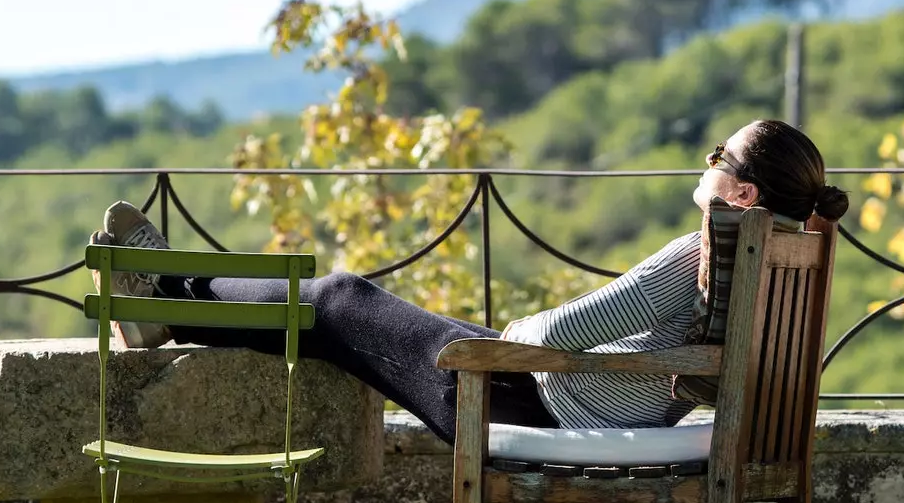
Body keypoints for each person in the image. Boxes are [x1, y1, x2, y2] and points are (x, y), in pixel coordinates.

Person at [93, 119, 849, 444]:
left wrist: (503, 340)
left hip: (521, 398)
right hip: (580, 403)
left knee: (340, 297)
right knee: (338, 322)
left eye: (718, 154)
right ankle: (177, 299)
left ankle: (169, 297)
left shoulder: (704, 255)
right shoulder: (785, 259)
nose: (706, 161)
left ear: (743, 193)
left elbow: (560, 336)